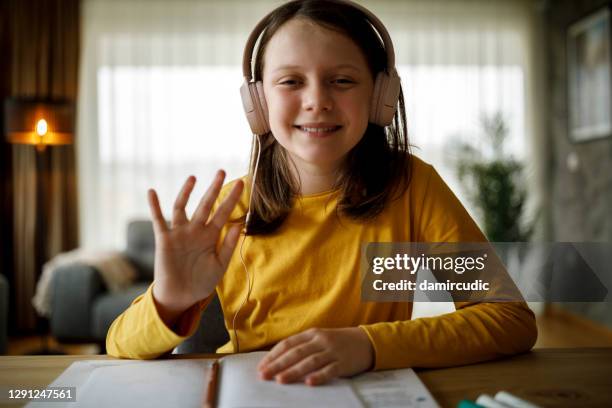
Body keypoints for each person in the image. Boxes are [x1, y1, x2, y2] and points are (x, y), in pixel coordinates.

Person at [106, 0, 537, 386]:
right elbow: (119, 347)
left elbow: (510, 319)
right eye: (291, 81)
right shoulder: (232, 209)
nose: (317, 100)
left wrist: (367, 346)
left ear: (380, 96)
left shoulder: (412, 185)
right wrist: (169, 300)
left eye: (343, 81)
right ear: (257, 103)